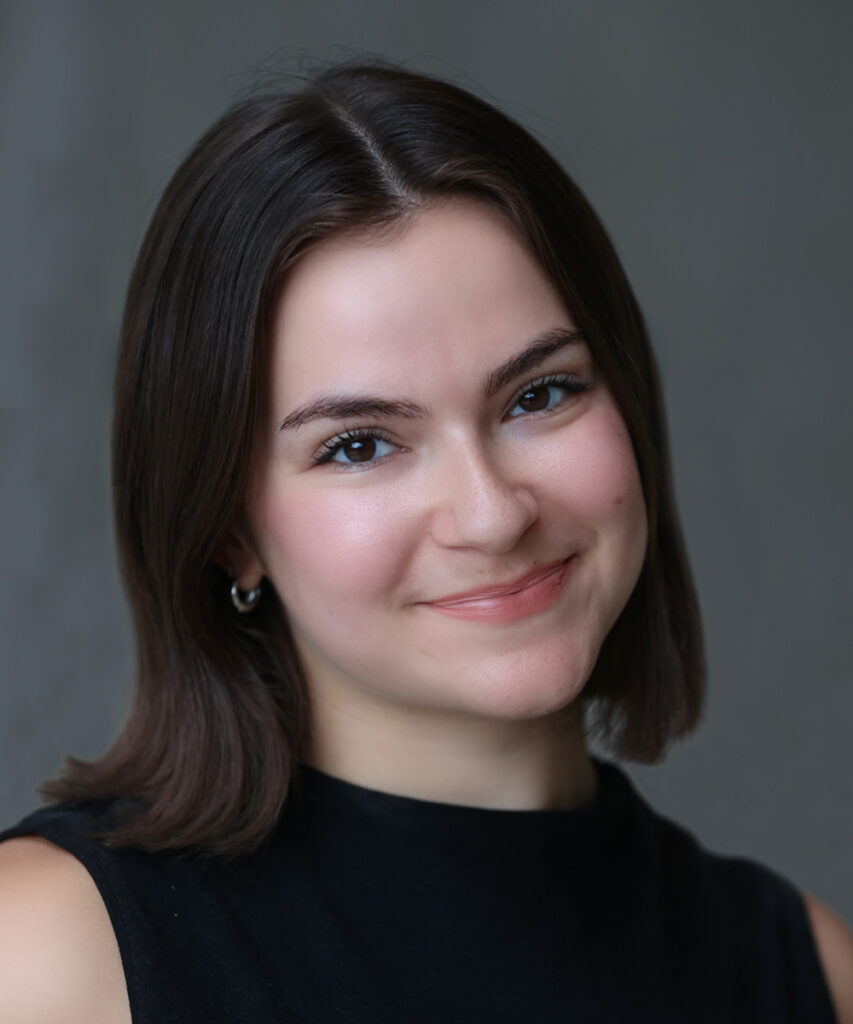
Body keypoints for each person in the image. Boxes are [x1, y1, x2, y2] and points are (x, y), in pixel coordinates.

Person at [0, 62, 850, 1023]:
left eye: (540, 394)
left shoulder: (801, 975)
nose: (492, 514)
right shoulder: (46, 955)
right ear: (228, 533)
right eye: (359, 446)